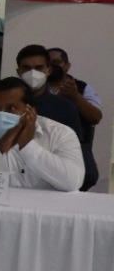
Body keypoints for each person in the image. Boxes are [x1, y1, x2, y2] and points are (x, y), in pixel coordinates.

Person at [47, 46, 102, 190]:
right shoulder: (38, 88)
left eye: (56, 62)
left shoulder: (83, 88)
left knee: (89, 176)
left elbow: (95, 117)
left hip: (77, 143)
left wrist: (75, 96)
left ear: (67, 65)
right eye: (49, 63)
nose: (53, 66)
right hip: (45, 141)